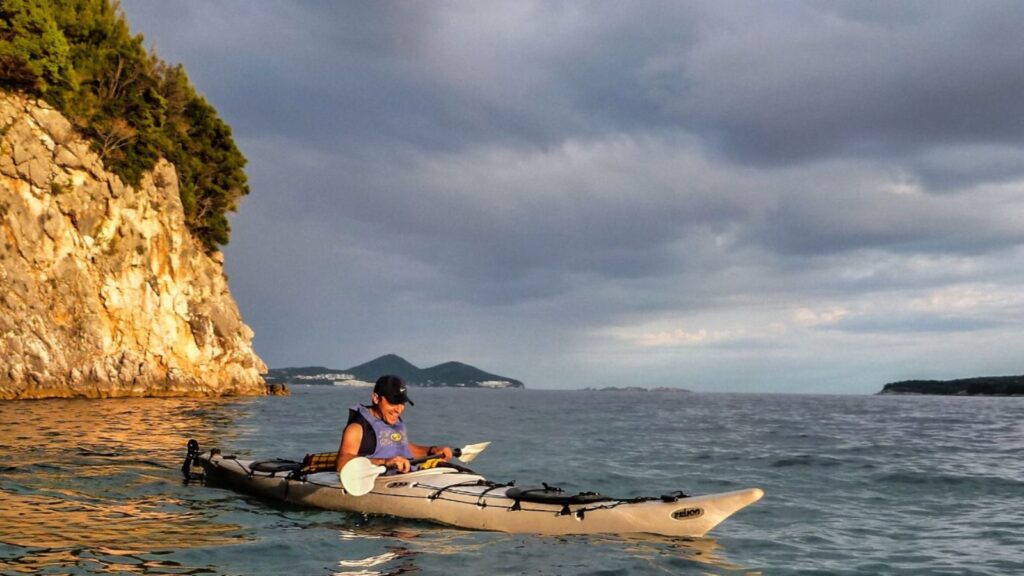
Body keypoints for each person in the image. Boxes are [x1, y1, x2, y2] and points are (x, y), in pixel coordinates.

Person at [336, 375, 453, 474]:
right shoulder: (357, 428)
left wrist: (432, 451)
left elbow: (401, 446)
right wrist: (384, 462)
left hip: (406, 478)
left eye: (402, 403)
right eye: (393, 402)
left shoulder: (394, 420)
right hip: (378, 482)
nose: (399, 409)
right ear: (376, 398)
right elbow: (342, 463)